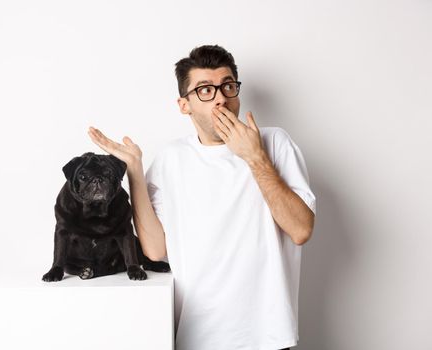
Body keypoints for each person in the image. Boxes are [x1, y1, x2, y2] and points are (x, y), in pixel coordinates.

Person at [88, 44, 316, 350]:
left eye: (227, 86)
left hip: (268, 337)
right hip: (198, 337)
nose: (221, 97)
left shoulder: (274, 143)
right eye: (205, 89)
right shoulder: (171, 158)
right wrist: (134, 172)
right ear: (185, 105)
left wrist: (255, 158)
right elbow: (155, 250)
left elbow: (301, 229)